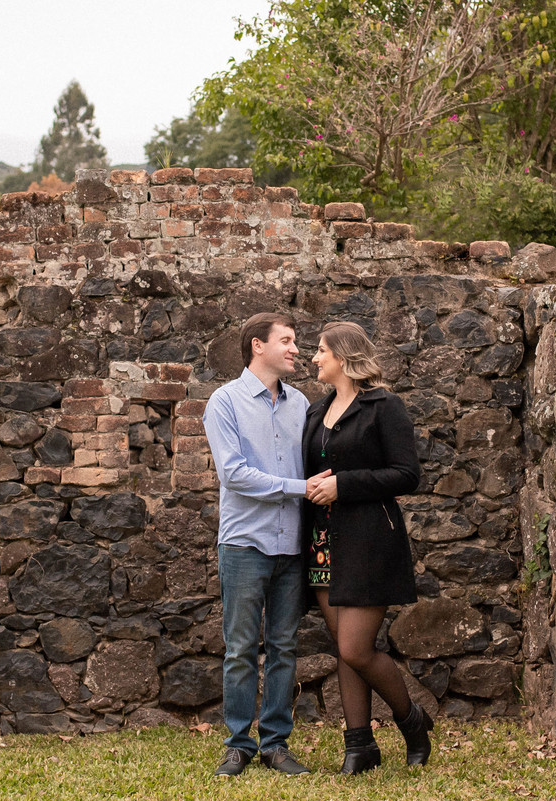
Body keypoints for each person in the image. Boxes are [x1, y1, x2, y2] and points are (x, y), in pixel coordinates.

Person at [303, 321, 435, 774]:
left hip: (370, 541)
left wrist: (345, 484)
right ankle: (359, 747)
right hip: (322, 542)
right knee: (343, 649)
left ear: (343, 356)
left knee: (356, 648)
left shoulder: (384, 406)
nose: (314, 358)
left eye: (321, 350)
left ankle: (411, 721)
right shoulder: (315, 411)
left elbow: (407, 474)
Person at [203, 312, 330, 778]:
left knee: (283, 646)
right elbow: (233, 474)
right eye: (288, 340)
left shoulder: (302, 404)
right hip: (244, 544)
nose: (297, 349)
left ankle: (276, 744)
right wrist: (301, 488)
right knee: (239, 648)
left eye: (297, 340)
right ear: (258, 345)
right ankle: (238, 745)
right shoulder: (225, 402)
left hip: (291, 545)